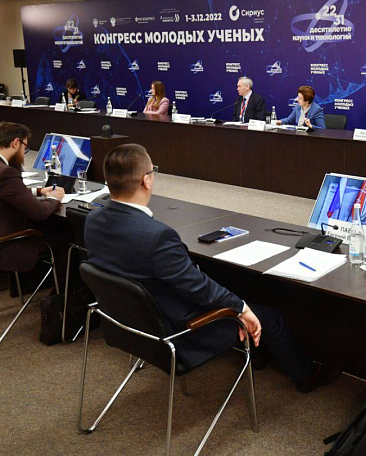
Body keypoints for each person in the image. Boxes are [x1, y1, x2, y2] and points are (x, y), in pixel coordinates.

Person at [84, 144, 340, 392]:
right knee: (270, 318)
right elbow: (196, 288)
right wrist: (241, 309)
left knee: (221, 282)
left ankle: (257, 356)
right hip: (180, 332)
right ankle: (307, 377)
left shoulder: (93, 219)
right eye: (154, 171)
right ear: (146, 180)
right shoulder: (157, 236)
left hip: (129, 325)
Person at [0, 122, 66, 275]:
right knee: (67, 236)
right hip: (6, 243)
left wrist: (39, 191)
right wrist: (54, 199)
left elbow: (4, 191)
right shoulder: (3, 172)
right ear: (16, 143)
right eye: (25, 148)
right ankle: (62, 288)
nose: (23, 154)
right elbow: (40, 212)